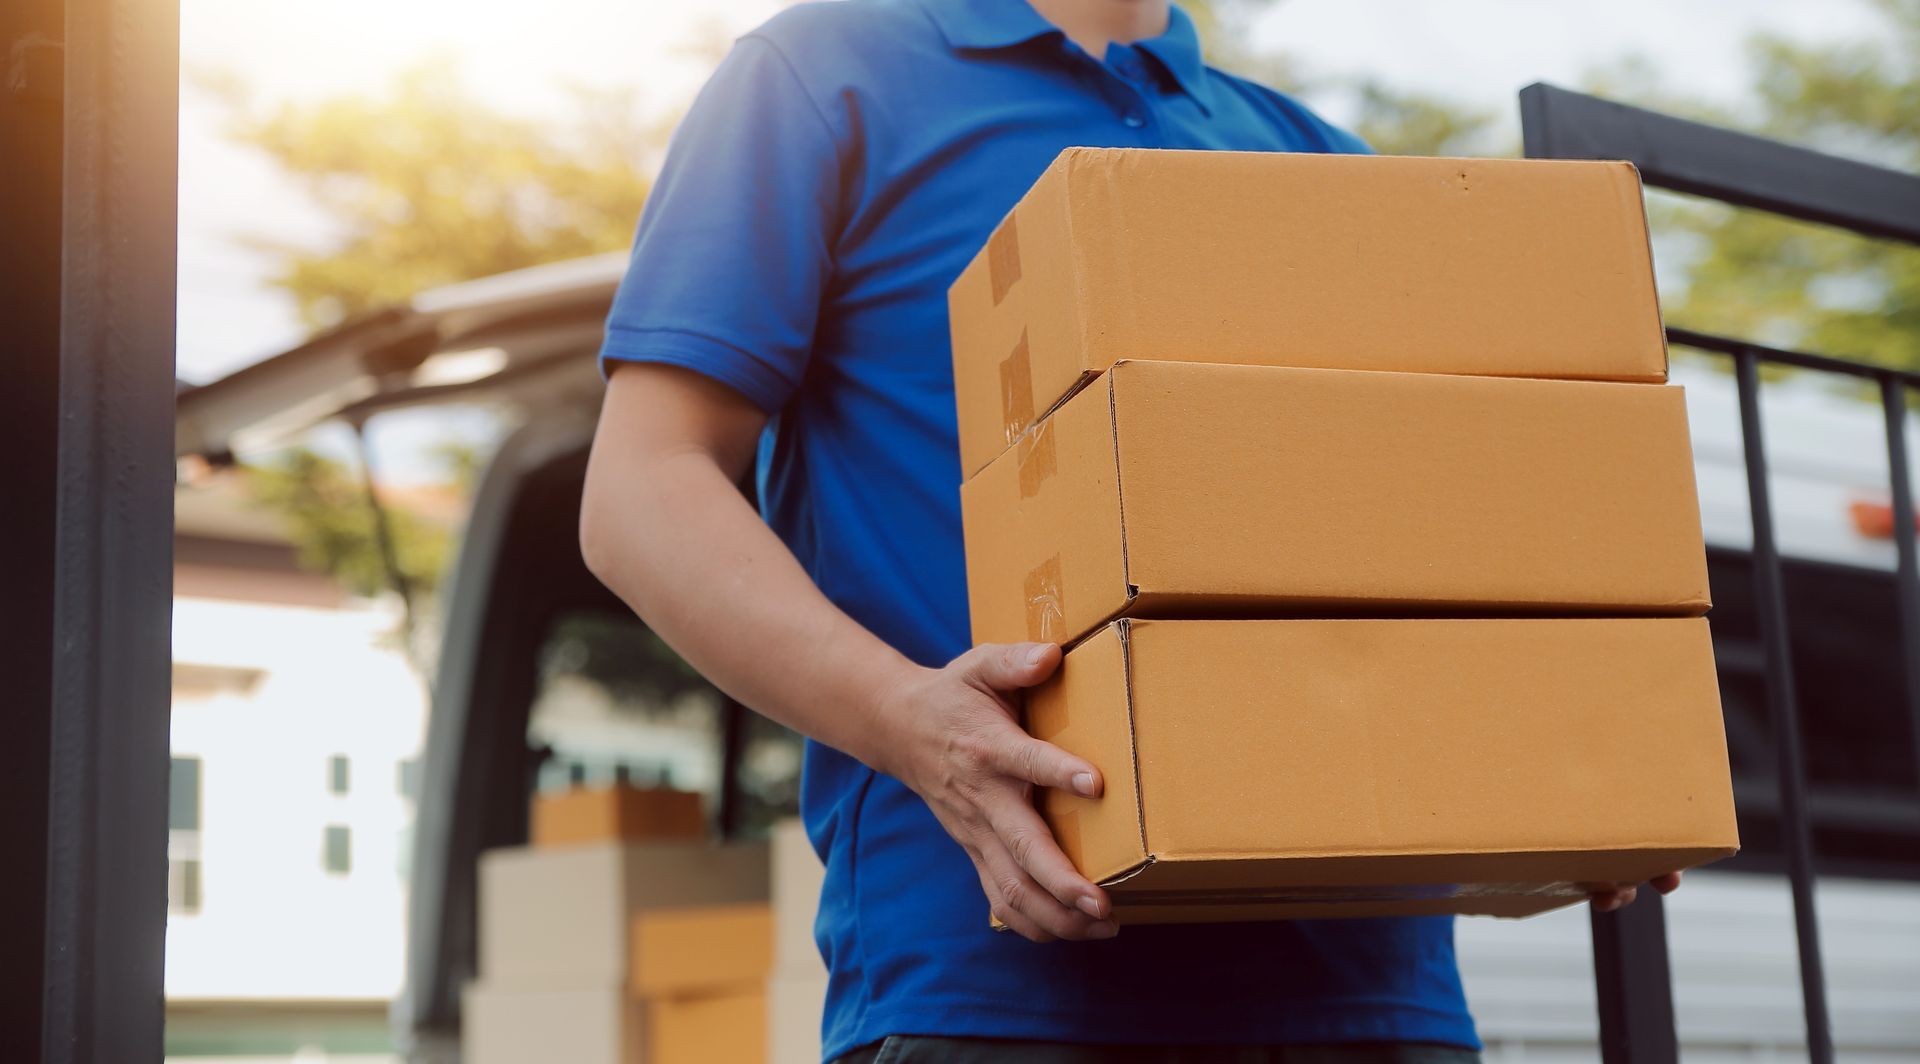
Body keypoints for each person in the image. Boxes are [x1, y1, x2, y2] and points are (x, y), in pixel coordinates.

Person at [579, 1, 1680, 1060]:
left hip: (1378, 1001)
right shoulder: (826, 77)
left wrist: (1547, 765)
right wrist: (913, 723)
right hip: (1001, 993)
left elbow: (1420, 521)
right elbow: (641, 491)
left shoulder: (1328, 158)